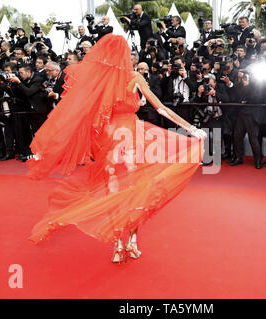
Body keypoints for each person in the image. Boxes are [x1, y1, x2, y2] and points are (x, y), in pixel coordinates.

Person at [26, 34, 207, 264]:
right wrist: (190, 128)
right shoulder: (134, 78)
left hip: (108, 143)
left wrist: (55, 143)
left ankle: (119, 244)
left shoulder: (100, 81)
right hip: (131, 139)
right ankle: (130, 240)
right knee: (136, 189)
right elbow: (160, 109)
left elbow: (76, 112)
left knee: (113, 191)